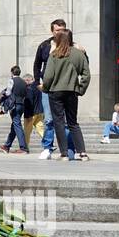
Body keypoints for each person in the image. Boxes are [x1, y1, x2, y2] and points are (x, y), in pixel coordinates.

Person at [42, 29, 91, 162]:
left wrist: (45, 88)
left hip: (55, 92)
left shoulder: (54, 55)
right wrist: (80, 89)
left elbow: (48, 77)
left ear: (57, 40)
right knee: (73, 122)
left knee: (58, 122)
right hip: (72, 91)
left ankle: (64, 154)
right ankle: (82, 153)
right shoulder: (79, 55)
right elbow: (86, 75)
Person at [33, 18, 67, 156]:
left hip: (64, 87)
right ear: (52, 31)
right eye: (57, 30)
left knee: (63, 119)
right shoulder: (44, 46)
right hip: (47, 86)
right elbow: (37, 64)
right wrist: (37, 83)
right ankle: (47, 146)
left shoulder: (71, 45)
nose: (60, 32)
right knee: (48, 118)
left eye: (62, 30)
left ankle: (66, 148)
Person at [0, 65, 30, 153]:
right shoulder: (24, 82)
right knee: (15, 125)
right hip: (21, 105)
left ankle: (23, 148)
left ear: (12, 72)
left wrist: (3, 95)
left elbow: (8, 93)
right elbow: (26, 93)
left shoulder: (12, 80)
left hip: (14, 105)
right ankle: (7, 146)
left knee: (17, 125)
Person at [22, 74, 45, 150]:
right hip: (40, 111)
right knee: (40, 129)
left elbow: (29, 103)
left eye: (24, 81)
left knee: (27, 132)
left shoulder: (29, 88)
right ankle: (49, 144)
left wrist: (27, 115)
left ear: (28, 80)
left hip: (31, 113)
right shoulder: (38, 87)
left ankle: (25, 147)